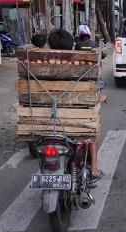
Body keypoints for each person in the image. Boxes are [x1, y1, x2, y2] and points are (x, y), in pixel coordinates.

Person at [47, 29, 104, 183]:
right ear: (71, 45)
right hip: (74, 118)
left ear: (49, 45)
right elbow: (90, 93)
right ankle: (94, 168)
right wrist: (100, 98)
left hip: (46, 119)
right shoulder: (76, 66)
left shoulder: (39, 65)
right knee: (90, 131)